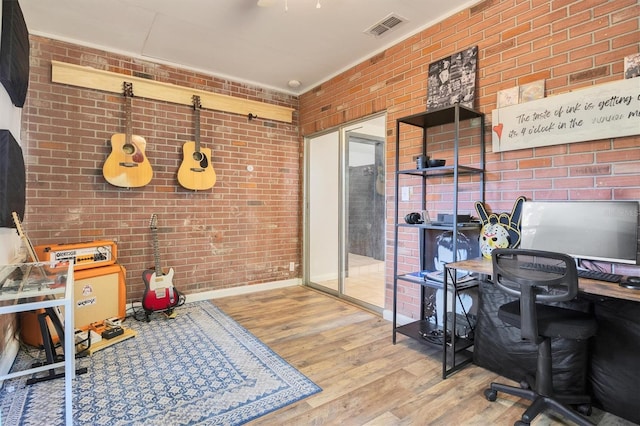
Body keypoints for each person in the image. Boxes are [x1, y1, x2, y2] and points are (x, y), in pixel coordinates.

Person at [431, 231, 476, 333]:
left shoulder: (475, 300)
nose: (453, 273)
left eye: (460, 265)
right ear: (436, 263)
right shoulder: (436, 297)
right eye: (445, 264)